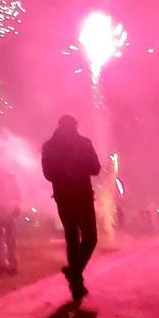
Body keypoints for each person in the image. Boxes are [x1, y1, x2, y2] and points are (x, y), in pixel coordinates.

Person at [41, 115, 101, 302]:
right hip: (81, 196)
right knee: (89, 238)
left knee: (72, 239)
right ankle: (75, 275)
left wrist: (64, 171)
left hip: (64, 197)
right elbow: (96, 168)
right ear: (75, 126)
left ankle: (75, 278)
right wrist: (77, 167)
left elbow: (48, 174)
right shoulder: (84, 143)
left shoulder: (49, 146)